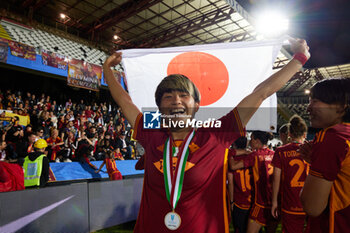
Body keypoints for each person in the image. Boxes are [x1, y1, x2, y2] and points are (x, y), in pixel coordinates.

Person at [103, 38, 310, 233]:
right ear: (159, 107)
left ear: (197, 105)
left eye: (184, 95)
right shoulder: (151, 133)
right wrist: (107, 68)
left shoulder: (216, 133)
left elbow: (261, 92)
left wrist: (298, 59)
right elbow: (125, 102)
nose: (176, 101)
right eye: (168, 97)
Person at [300, 78, 350, 233]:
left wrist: (314, 164)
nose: (308, 108)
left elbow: (312, 206)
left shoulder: (332, 137)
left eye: (315, 101)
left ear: (341, 107)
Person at [230, 131, 277, 233]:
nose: (250, 141)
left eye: (251, 139)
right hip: (274, 202)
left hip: (260, 203)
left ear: (256, 140)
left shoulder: (255, 155)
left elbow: (233, 166)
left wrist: (230, 153)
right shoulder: (275, 154)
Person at [271, 115, 309, 233]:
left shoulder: (281, 151)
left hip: (290, 203)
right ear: (304, 135)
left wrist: (274, 202)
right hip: (310, 203)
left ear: (290, 134)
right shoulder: (312, 150)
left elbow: (276, 179)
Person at [227, 136, 253, 233]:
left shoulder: (231, 159)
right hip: (252, 200)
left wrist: (231, 201)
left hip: (239, 201)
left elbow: (230, 183)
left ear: (234, 143)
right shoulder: (251, 156)